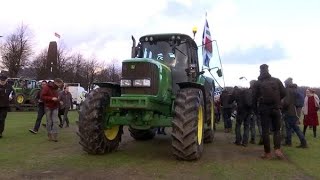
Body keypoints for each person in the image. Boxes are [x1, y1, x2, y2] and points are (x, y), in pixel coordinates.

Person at [252, 64, 286, 159]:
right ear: (268, 70)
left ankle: (267, 153)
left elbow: (253, 98)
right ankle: (277, 150)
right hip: (276, 108)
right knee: (276, 130)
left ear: (260, 71)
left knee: (265, 131)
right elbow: (284, 93)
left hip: (264, 109)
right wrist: (278, 101)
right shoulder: (276, 80)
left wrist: (255, 110)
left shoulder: (257, 83)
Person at [282, 81, 307, 148]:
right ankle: (301, 142)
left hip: (289, 112)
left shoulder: (288, 91)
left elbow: (286, 102)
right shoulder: (297, 92)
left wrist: (282, 106)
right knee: (293, 128)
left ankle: (291, 142)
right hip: (296, 113)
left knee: (292, 128)